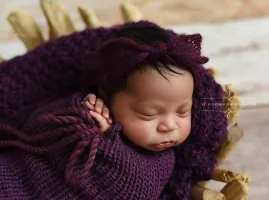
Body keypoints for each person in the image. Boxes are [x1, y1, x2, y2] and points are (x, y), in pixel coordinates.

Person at [0, 21, 227, 199]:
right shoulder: (87, 109)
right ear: (107, 97)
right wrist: (78, 114)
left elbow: (135, 189)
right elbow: (34, 132)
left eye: (182, 111)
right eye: (149, 114)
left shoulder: (161, 161)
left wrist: (111, 144)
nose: (169, 125)